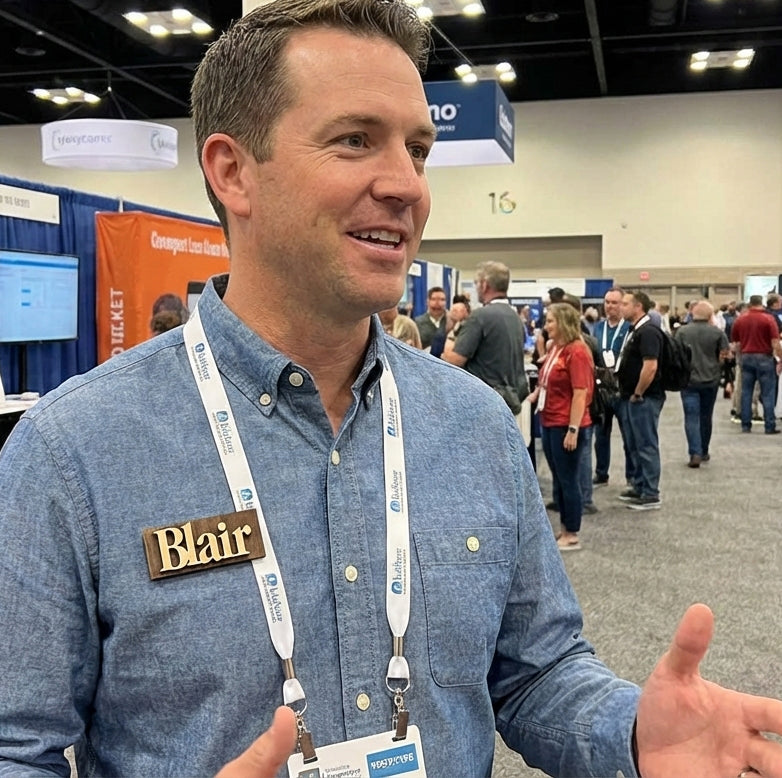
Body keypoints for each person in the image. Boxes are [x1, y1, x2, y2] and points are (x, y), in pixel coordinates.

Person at [1, 3, 782, 778]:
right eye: (355, 141)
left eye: (418, 149)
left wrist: (634, 736)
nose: (408, 186)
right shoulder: (76, 453)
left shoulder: (472, 424)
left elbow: (539, 672)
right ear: (232, 171)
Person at [526, 302, 594, 551]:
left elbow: (580, 392)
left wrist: (573, 429)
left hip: (566, 424)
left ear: (563, 322)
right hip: (550, 419)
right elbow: (545, 381)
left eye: (551, 321)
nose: (547, 326)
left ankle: (572, 531)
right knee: (559, 478)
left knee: (568, 479)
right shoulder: (556, 347)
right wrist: (533, 397)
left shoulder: (577, 352)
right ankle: (565, 527)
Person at [442, 261, 528, 433]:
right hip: (510, 401)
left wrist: (453, 332)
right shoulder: (514, 316)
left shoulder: (480, 316)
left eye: (476, 283)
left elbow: (454, 360)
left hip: (483, 403)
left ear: (484, 284)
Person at [615, 290, 666, 510]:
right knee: (634, 444)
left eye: (625, 304)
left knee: (646, 444)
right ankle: (639, 485)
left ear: (638, 307)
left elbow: (651, 365)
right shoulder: (634, 330)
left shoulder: (648, 332)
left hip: (644, 397)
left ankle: (651, 492)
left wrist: (638, 391)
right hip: (631, 396)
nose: (620, 307)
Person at [674, 301, 729, 466]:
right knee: (706, 416)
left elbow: (676, 354)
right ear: (710, 315)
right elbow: (724, 354)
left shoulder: (682, 332)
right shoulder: (717, 333)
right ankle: (704, 450)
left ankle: (694, 452)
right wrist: (716, 365)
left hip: (689, 381)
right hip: (710, 380)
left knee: (691, 417)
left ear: (692, 314)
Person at [592, 286, 631, 488]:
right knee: (601, 435)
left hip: (622, 388)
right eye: (607, 302)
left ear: (623, 304)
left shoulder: (628, 328)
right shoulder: (598, 328)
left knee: (628, 435)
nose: (610, 306)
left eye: (614, 303)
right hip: (602, 389)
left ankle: (631, 476)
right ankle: (601, 473)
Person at [730, 294, 782, 434]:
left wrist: (740, 358)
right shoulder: (768, 319)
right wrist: (780, 358)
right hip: (764, 357)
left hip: (746, 357)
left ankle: (745, 424)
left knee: (746, 391)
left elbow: (736, 343)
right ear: (761, 303)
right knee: (767, 393)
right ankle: (769, 425)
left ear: (750, 303)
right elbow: (775, 342)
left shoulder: (740, 319)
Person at [414, 286, 447, 354]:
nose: (438, 303)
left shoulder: (450, 322)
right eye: (434, 299)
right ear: (427, 302)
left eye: (442, 299)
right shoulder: (417, 323)